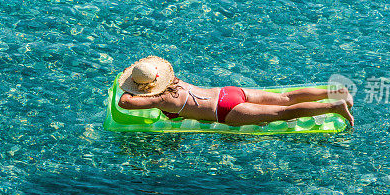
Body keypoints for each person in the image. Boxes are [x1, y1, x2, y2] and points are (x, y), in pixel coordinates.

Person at [117, 56, 354, 127]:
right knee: (286, 97)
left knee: (282, 112)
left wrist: (130, 89)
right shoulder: (174, 81)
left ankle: (334, 107)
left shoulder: (160, 99)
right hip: (227, 93)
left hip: (224, 111)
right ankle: (334, 92)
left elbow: (125, 103)